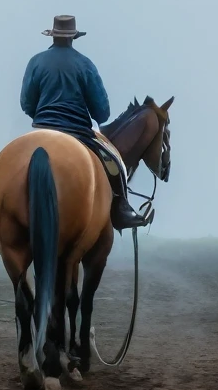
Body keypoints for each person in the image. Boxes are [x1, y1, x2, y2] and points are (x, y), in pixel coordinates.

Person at [20, 14, 150, 230]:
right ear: (73, 37)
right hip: (77, 132)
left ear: (52, 36)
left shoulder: (35, 62)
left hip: (41, 129)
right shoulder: (85, 64)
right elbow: (102, 112)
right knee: (115, 165)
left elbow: (26, 104)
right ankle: (122, 209)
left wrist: (44, 117)